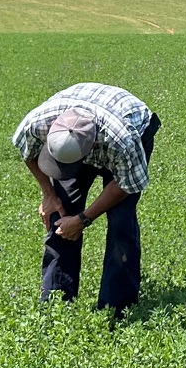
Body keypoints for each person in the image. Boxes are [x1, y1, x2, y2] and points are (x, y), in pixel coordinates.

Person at [12, 83, 160, 316]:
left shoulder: (122, 141)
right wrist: (49, 195)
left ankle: (116, 309)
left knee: (121, 222)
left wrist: (84, 219)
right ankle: (56, 304)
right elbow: (27, 151)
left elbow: (125, 185)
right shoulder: (38, 123)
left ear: (90, 149)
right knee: (60, 214)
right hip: (85, 119)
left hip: (132, 122)